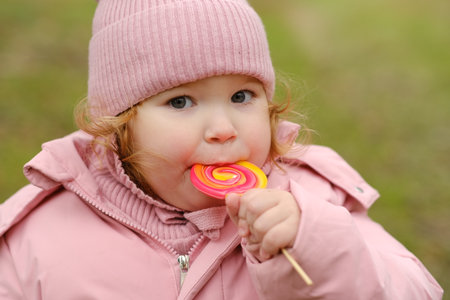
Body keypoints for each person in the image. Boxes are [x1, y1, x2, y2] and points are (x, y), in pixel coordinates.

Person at [0, 0, 443, 299]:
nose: (222, 129)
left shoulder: (313, 199)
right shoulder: (39, 232)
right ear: (117, 125)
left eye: (241, 97)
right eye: (180, 102)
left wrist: (317, 246)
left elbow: (416, 290)